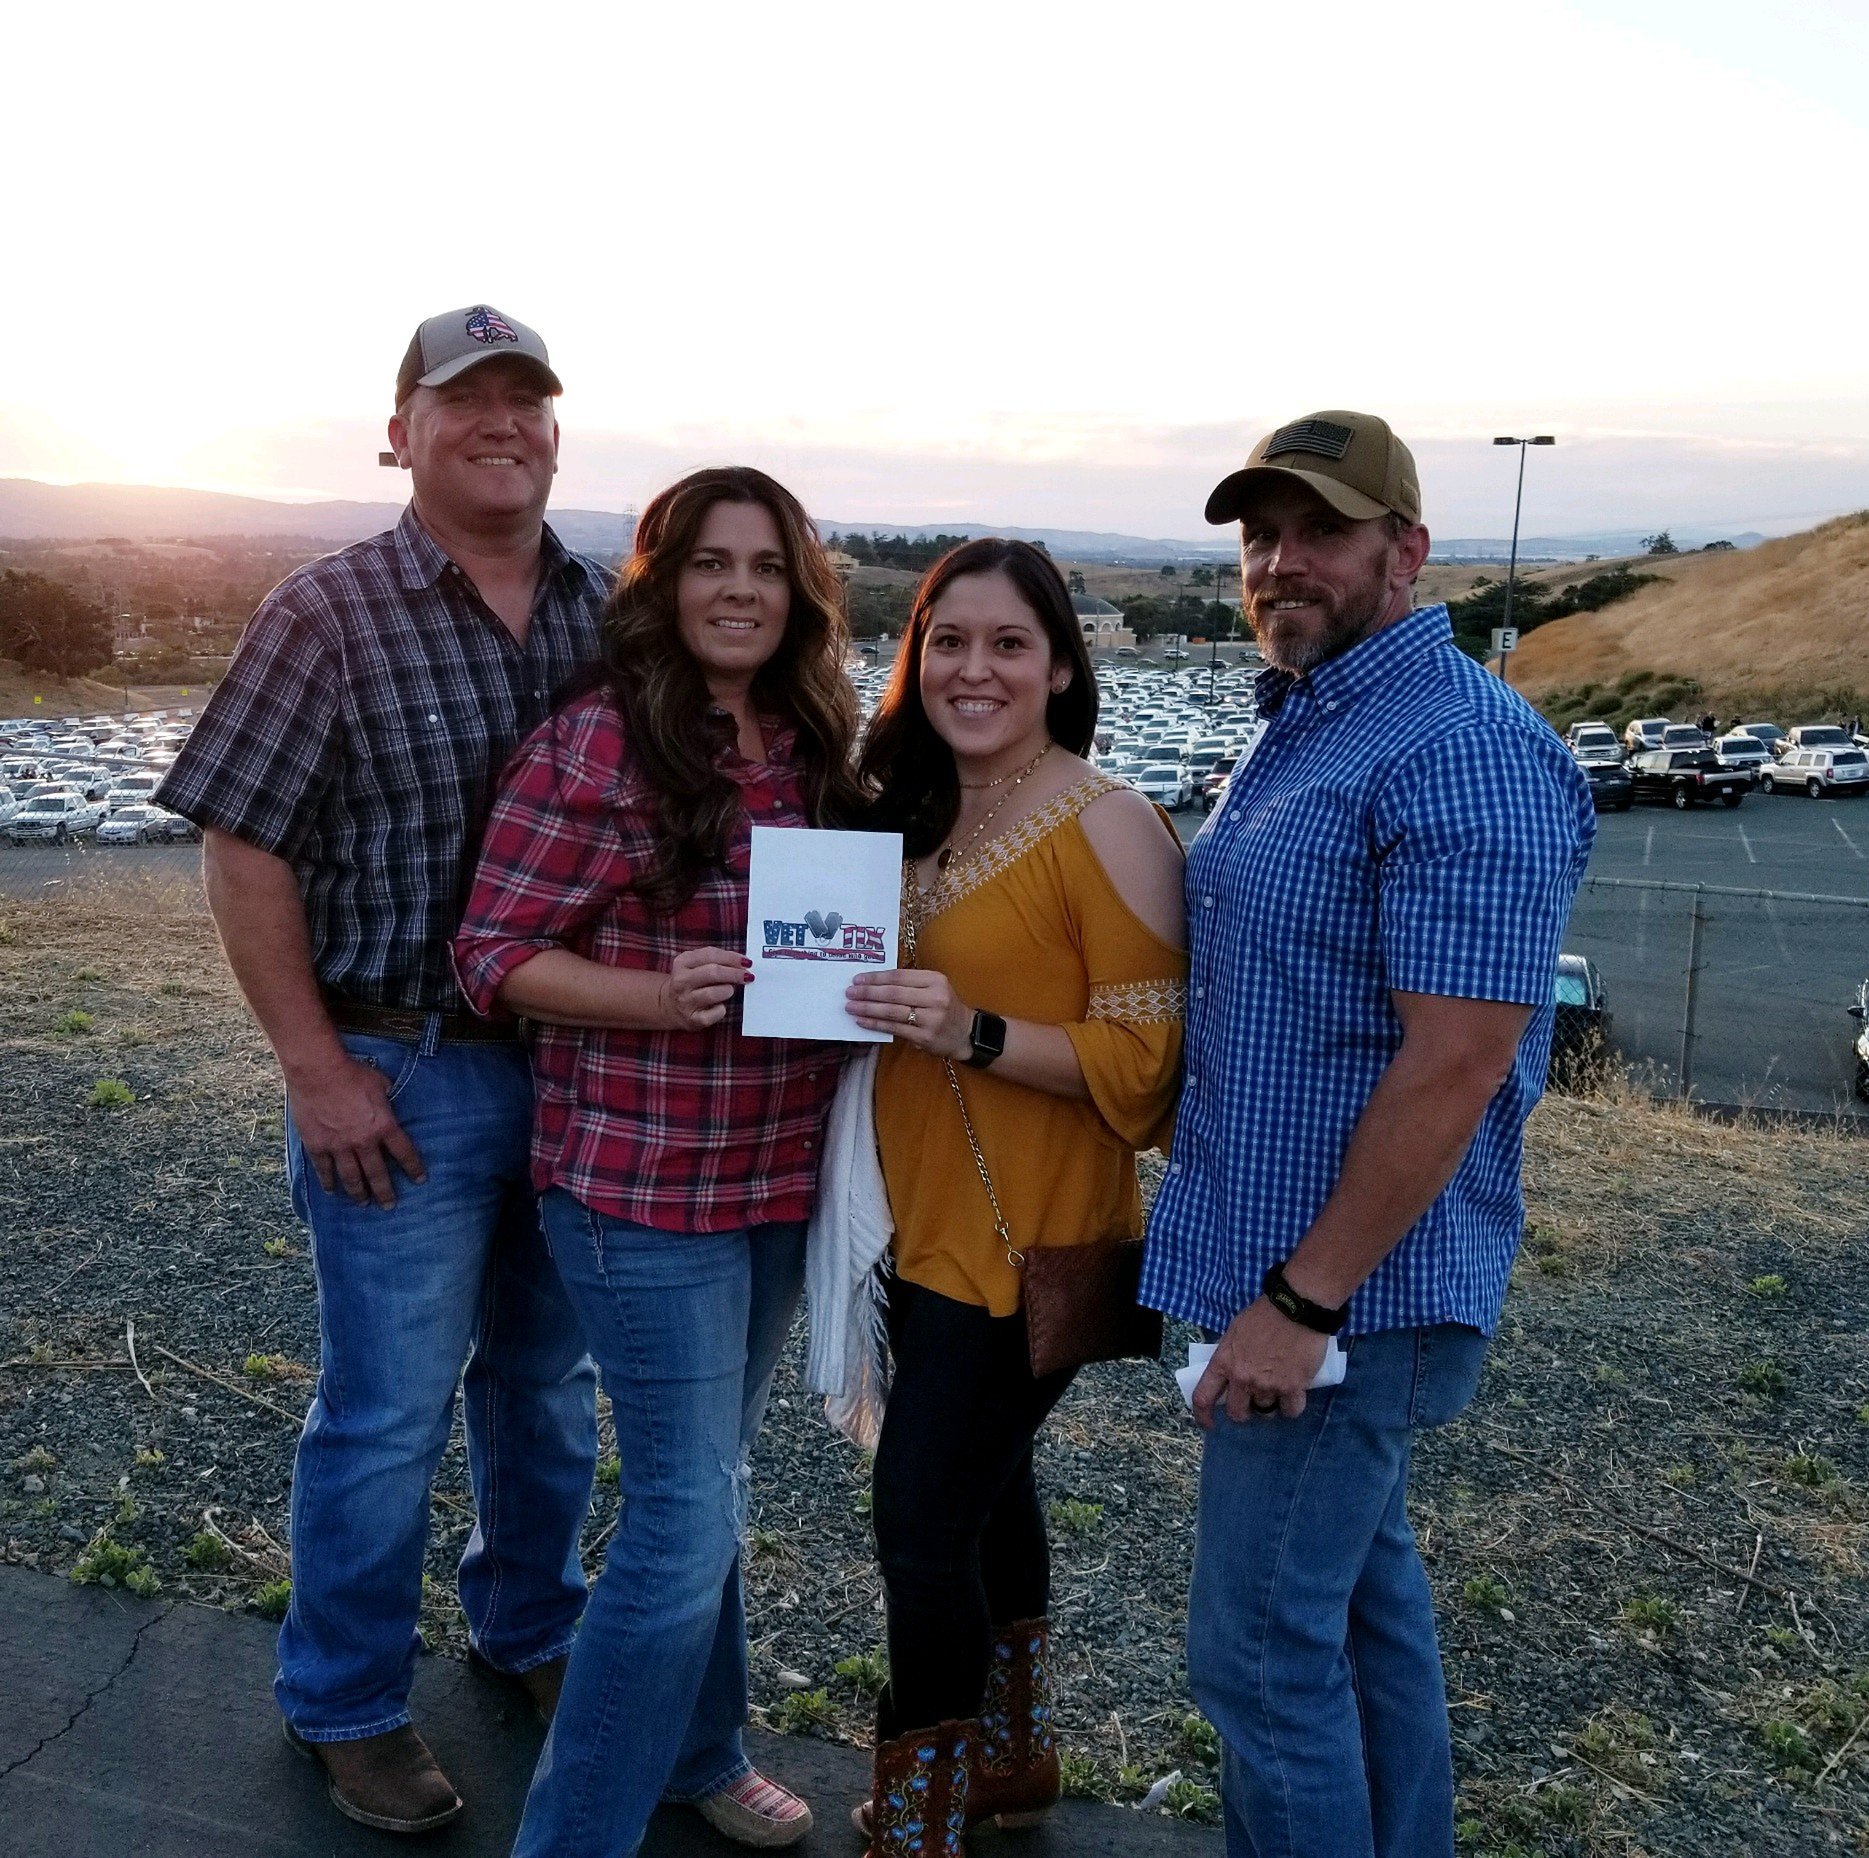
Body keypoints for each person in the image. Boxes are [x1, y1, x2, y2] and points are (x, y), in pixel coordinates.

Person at [155, 306, 609, 1833]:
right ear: (399, 430)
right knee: (387, 1410)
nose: (501, 421)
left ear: (556, 431)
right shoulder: (324, 613)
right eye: (464, 398)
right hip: (397, 1070)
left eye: (526, 398)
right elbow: (244, 849)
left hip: (577, 1074)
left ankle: (528, 1624)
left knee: (545, 1388)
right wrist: (314, 1068)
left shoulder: (609, 615)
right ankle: (345, 1697)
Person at [1141, 412, 1596, 1858]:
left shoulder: (1461, 747)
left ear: (1407, 550)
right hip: (1293, 1276)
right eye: (1260, 535)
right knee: (1355, 1611)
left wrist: (1299, 1303)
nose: (1281, 563)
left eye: (1321, 532)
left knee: (1257, 1658)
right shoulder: (1320, 716)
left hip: (1348, 1302)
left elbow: (1457, 1061)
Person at [453, 466, 866, 1858]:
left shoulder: (815, 741)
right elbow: (492, 954)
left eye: (766, 565)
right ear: (662, 582)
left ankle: (702, 1749)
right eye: (709, 563)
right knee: (684, 1516)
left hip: (779, 1178)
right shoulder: (594, 746)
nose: (739, 589)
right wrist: (654, 994)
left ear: (800, 591)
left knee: (714, 1482)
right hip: (639, 1188)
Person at [844, 538, 1187, 1852]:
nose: (973, 669)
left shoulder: (1108, 821)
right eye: (948, 640)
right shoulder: (918, 809)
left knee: (921, 1524)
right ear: (914, 655)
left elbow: (1147, 1070)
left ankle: (918, 1816)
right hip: (914, 1230)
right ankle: (1011, 1758)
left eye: (1008, 644)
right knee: (988, 1496)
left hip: (1025, 1243)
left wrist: (972, 1031)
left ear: (1059, 668)